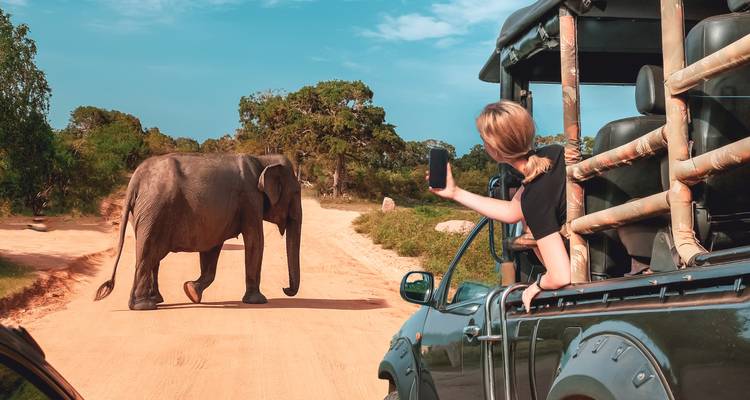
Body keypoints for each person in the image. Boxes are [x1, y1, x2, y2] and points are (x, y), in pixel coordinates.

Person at [426, 100, 570, 312]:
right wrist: (455, 192)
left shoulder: (534, 197)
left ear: (494, 149)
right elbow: (512, 211)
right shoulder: (556, 153)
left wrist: (536, 285)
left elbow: (560, 275)